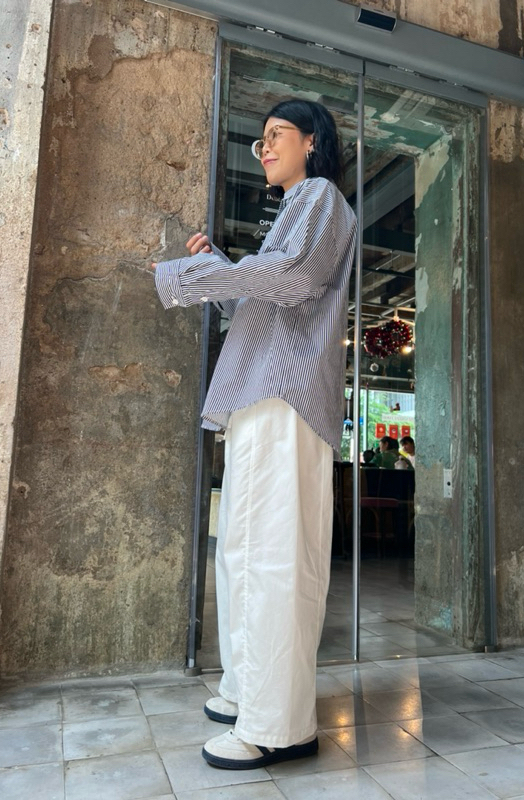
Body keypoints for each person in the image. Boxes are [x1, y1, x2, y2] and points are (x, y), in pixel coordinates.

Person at [150, 100, 356, 769]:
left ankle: (278, 726)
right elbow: (262, 301)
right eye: (260, 139)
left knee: (273, 557)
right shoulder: (295, 209)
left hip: (285, 396)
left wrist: (192, 275)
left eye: (277, 135)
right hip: (260, 395)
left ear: (312, 142)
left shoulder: (319, 196)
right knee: (243, 552)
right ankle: (247, 690)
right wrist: (221, 265)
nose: (263, 147)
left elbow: (294, 277)